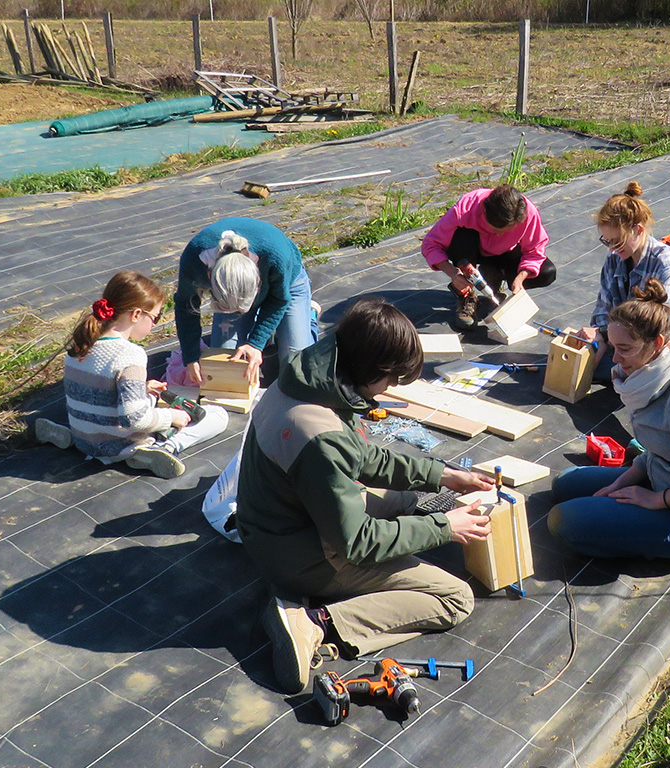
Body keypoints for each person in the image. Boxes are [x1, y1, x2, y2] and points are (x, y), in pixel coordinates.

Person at [236, 296, 496, 694]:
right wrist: (444, 527)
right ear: (379, 369)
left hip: (274, 524)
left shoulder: (308, 378)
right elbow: (356, 542)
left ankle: (415, 512)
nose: (391, 389)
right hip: (300, 556)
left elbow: (357, 455)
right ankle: (315, 623)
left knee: (402, 501)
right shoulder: (319, 436)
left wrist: (441, 475)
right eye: (392, 381)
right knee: (454, 597)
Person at [549, 279, 670, 560]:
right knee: (564, 484)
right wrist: (622, 483)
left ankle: (658, 544)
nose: (615, 359)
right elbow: (658, 450)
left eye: (624, 349)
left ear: (658, 343)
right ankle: (627, 522)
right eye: (613, 347)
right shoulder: (646, 378)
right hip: (664, 477)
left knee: (562, 521)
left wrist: (655, 500)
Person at [35, 271, 230, 479]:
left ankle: (72, 435)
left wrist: (143, 389)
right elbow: (134, 419)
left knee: (106, 410)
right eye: (154, 318)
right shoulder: (130, 355)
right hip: (118, 444)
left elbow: (100, 389)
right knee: (218, 416)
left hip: (85, 436)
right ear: (136, 315)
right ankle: (165, 447)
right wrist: (171, 416)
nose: (153, 326)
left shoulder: (82, 343)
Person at [580, 182, 670, 381]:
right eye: (607, 241)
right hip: (627, 345)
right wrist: (599, 336)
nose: (612, 248)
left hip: (669, 345)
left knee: (657, 375)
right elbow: (603, 310)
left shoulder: (667, 263)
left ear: (638, 230)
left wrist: (607, 337)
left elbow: (659, 324)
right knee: (584, 366)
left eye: (617, 241)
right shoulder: (613, 261)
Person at [173, 217, 319, 388]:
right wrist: (190, 356)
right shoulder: (195, 259)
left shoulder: (276, 256)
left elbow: (279, 299)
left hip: (288, 284)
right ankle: (269, 328)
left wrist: (255, 344)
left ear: (258, 281)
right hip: (237, 287)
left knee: (295, 366)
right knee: (225, 357)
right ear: (209, 277)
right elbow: (185, 305)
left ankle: (309, 315)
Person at [421, 184, 557, 330]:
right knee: (462, 236)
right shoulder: (467, 206)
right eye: (494, 229)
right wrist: (453, 273)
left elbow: (535, 250)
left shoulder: (528, 212)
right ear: (484, 212)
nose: (498, 235)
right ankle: (467, 297)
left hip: (506, 253)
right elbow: (430, 244)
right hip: (471, 252)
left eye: (506, 231)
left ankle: (496, 274)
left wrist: (520, 278)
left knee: (546, 272)